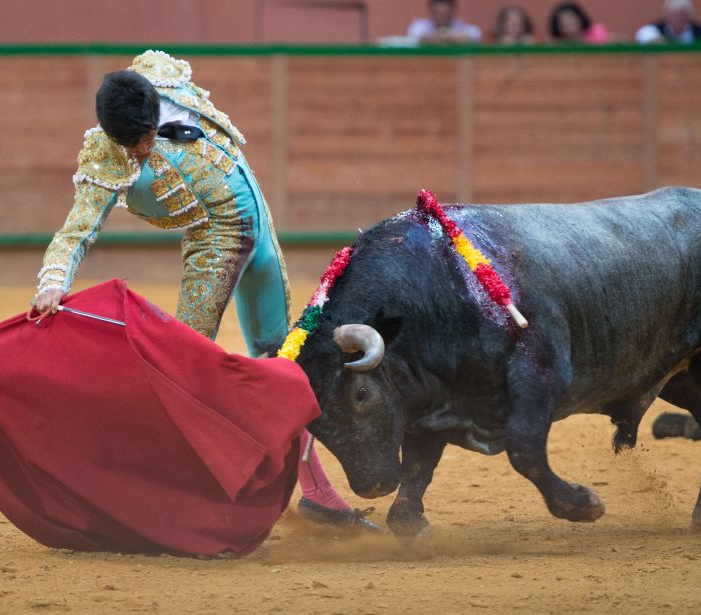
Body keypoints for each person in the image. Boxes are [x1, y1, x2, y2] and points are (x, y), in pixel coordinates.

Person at [33, 50, 378, 533]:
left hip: (258, 228)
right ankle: (183, 491)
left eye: (148, 133)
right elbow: (75, 233)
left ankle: (314, 494)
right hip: (217, 242)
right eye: (135, 143)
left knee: (279, 359)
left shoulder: (158, 78)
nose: (146, 146)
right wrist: (53, 284)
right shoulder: (103, 154)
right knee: (185, 373)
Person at [635, 0, 701, 44]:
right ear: (667, 15)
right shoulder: (657, 29)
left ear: (688, 17)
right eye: (673, 16)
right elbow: (642, 34)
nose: (676, 20)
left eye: (680, 17)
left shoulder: (699, 30)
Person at [406, 0, 482, 44]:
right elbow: (415, 35)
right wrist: (440, 37)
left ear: (453, 11)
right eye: (438, 13)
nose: (441, 17)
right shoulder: (420, 26)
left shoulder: (460, 26)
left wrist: (450, 36)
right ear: (431, 11)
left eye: (445, 13)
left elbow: (475, 34)